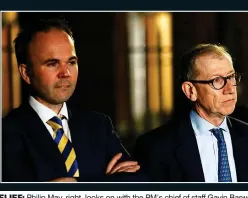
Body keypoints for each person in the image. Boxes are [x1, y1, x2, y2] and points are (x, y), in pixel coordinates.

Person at [2, 17, 143, 182]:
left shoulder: (98, 125)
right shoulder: (6, 133)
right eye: (52, 64)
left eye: (71, 62)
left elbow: (137, 182)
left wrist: (77, 188)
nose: (65, 73)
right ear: (26, 73)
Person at [134, 43, 248, 182]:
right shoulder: (156, 147)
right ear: (191, 91)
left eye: (231, 77)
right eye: (217, 80)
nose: (230, 89)